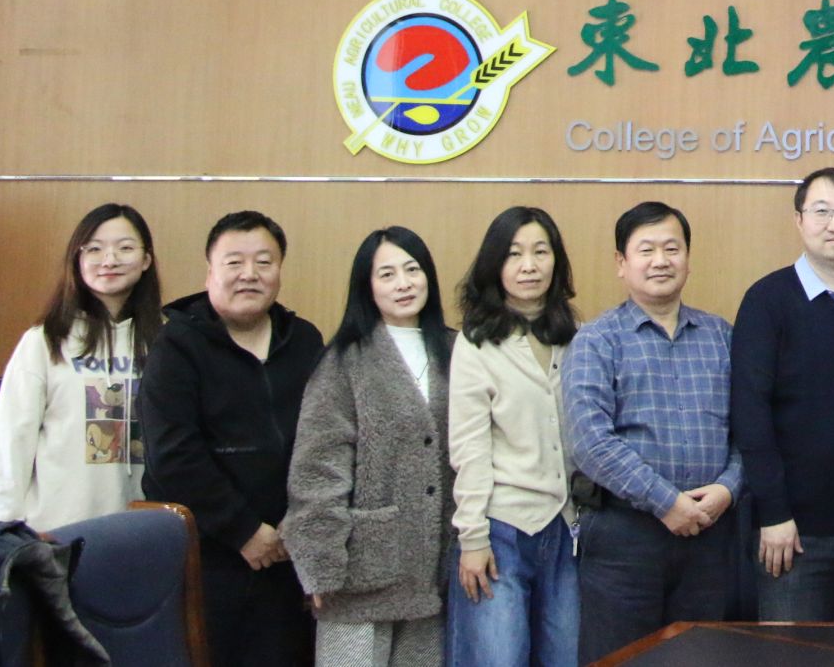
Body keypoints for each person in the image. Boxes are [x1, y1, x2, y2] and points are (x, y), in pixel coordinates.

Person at [141, 209, 326, 667]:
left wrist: (304, 527)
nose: (249, 274)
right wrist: (244, 531)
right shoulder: (176, 346)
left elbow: (327, 441)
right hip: (209, 557)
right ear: (210, 272)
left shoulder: (304, 340)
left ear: (279, 270)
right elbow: (173, 455)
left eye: (264, 262)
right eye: (234, 262)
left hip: (290, 554)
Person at [563, 202, 742, 660]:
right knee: (621, 658)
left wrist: (729, 487)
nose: (660, 260)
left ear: (688, 258)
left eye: (671, 248)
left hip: (709, 533)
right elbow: (590, 441)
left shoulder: (721, 337)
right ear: (621, 263)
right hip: (625, 538)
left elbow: (749, 428)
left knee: (700, 657)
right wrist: (666, 502)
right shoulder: (596, 340)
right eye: (646, 250)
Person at [731, 169, 834, 622]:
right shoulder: (767, 301)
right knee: (792, 653)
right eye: (822, 211)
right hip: (793, 533)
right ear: (799, 220)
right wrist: (773, 514)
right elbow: (750, 413)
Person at [283, 226, 455, 667]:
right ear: (368, 287)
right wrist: (319, 563)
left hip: (434, 570)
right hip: (360, 571)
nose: (403, 283)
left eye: (412, 270)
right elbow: (317, 468)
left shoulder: (457, 351)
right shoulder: (344, 360)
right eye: (387, 274)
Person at [447, 206, 580, 667]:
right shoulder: (475, 343)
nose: (529, 265)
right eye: (514, 254)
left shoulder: (576, 338)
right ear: (494, 265)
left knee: (565, 658)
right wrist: (472, 538)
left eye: (540, 252)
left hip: (565, 527)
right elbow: (469, 447)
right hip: (501, 528)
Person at [0, 203, 162, 531]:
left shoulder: (167, 340)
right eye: (94, 249)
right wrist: (2, 533)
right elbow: (8, 444)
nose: (109, 260)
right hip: (56, 533)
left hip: (144, 530)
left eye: (125, 248)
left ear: (146, 259)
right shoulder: (45, 341)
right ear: (77, 259)